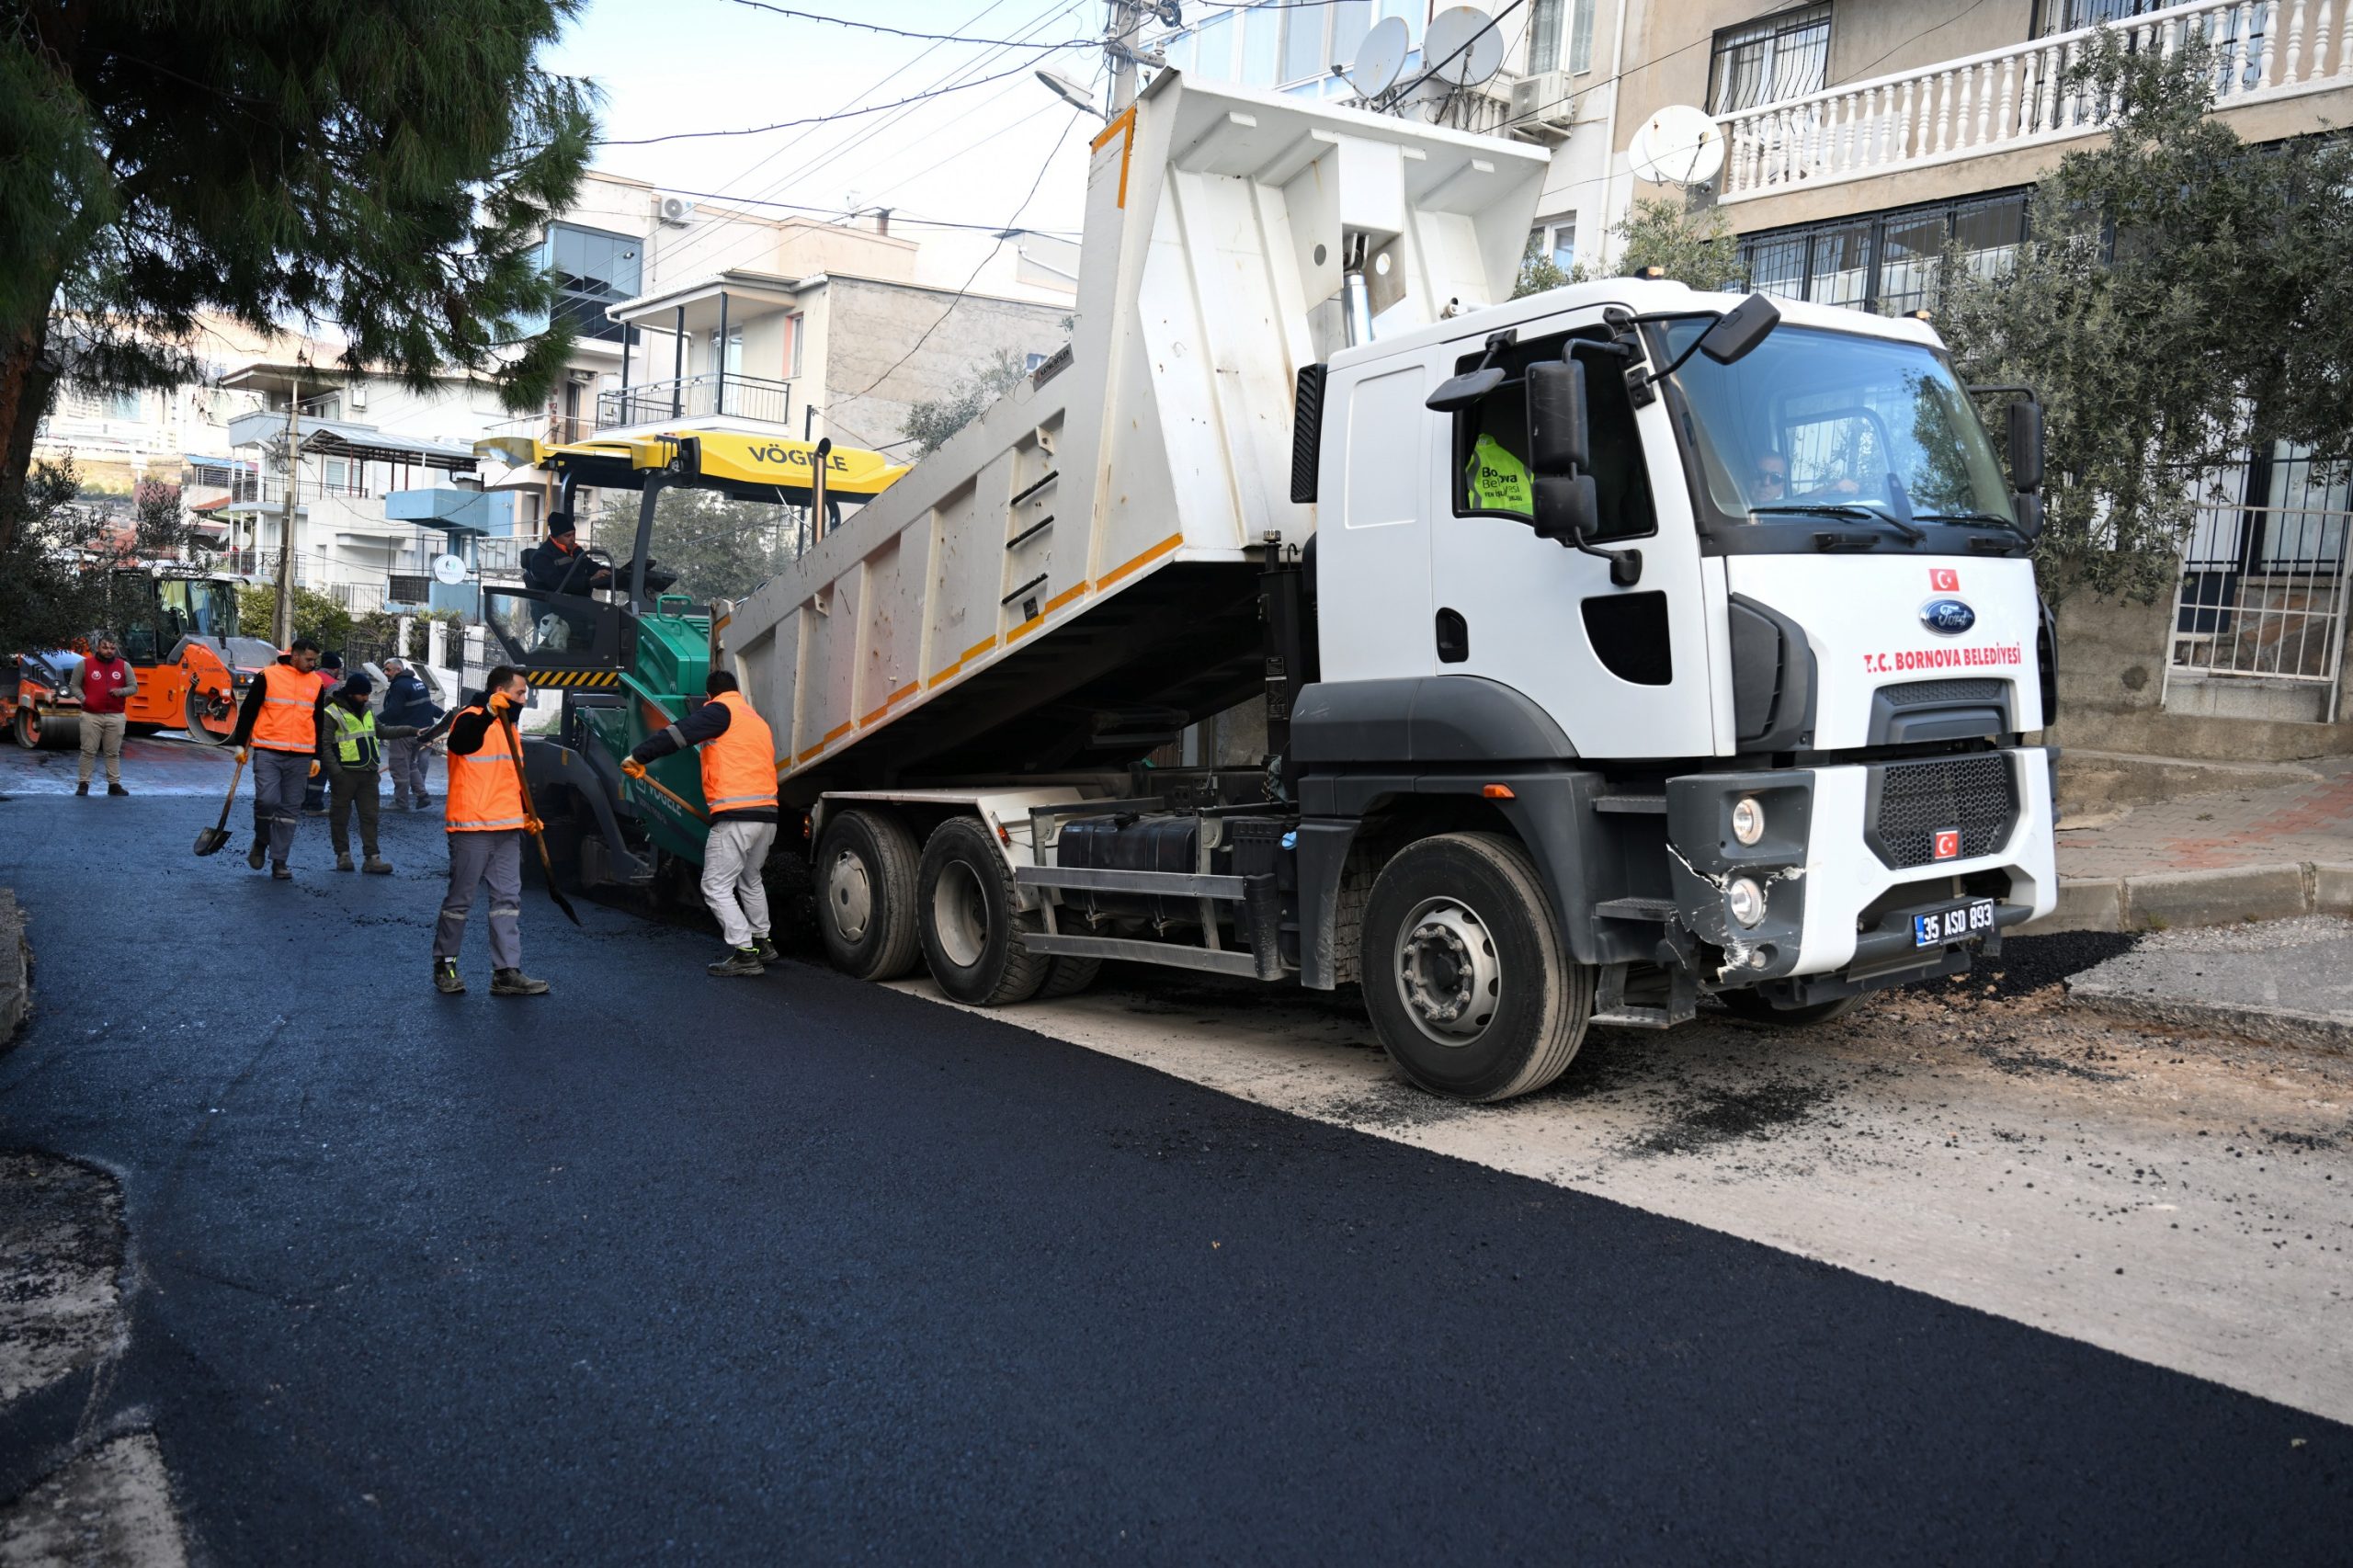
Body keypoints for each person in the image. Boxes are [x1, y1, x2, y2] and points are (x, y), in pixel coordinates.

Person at [622, 671, 781, 977]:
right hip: (767, 814)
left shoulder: (720, 711)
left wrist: (638, 756)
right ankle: (763, 942)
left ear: (710, 696)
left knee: (715, 885)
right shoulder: (754, 720)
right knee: (750, 879)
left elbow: (678, 734)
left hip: (737, 813)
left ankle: (745, 953)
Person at [433, 665, 549, 996]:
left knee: (507, 901)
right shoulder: (471, 717)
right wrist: (487, 713)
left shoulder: (510, 726)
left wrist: (526, 813)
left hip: (507, 826)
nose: (524, 699)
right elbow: (461, 743)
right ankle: (445, 965)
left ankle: (506, 972)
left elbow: (509, 778)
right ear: (499, 691)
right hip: (472, 826)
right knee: (460, 901)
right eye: (519, 693)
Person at [224, 638, 326, 880]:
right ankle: (261, 841)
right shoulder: (268, 676)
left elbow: (318, 720)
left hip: (301, 756)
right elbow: (249, 710)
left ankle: (279, 861)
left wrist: (317, 756)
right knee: (267, 801)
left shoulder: (316, 682)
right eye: (309, 659)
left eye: (315, 660)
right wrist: (240, 744)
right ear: (295, 656)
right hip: (268, 751)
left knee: (289, 811)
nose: (313, 664)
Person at [321, 674, 428, 874]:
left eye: (368, 694)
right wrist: (336, 772)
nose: (367, 699)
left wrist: (413, 731)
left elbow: (382, 731)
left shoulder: (367, 709)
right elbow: (324, 746)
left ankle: (372, 858)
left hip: (369, 773)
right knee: (340, 817)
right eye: (363, 695)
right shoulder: (331, 713)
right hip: (345, 774)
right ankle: (343, 856)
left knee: (370, 817)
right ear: (351, 693)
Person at [68, 631, 135, 797]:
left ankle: (114, 785)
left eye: (112, 648)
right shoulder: (84, 665)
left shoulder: (124, 666)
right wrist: (84, 699)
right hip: (91, 715)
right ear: (98, 647)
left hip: (116, 716)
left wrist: (121, 691)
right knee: (88, 751)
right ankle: (83, 784)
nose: (109, 651)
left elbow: (134, 687)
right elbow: (74, 685)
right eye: (105, 647)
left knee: (113, 752)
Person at [381, 656, 444, 809]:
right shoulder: (419, 684)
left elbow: (394, 711)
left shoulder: (399, 686)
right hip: (423, 733)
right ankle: (422, 795)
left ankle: (400, 802)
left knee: (398, 767)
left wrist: (371, 720)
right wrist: (444, 716)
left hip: (403, 733)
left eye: (388, 669)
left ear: (398, 670)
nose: (385, 673)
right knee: (410, 764)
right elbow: (429, 707)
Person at [521, 513, 612, 597]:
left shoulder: (576, 550)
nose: (572, 539)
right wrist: (589, 580)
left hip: (582, 604)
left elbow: (592, 567)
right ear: (556, 537)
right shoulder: (541, 558)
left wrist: (615, 573)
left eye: (573, 534)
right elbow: (558, 584)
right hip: (556, 609)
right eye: (567, 536)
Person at [302, 653, 344, 815]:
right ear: (335, 669)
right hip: (322, 729)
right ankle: (313, 805)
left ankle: (302, 801)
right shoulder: (333, 685)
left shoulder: (309, 677)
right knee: (322, 766)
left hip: (304, 728)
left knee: (306, 765)